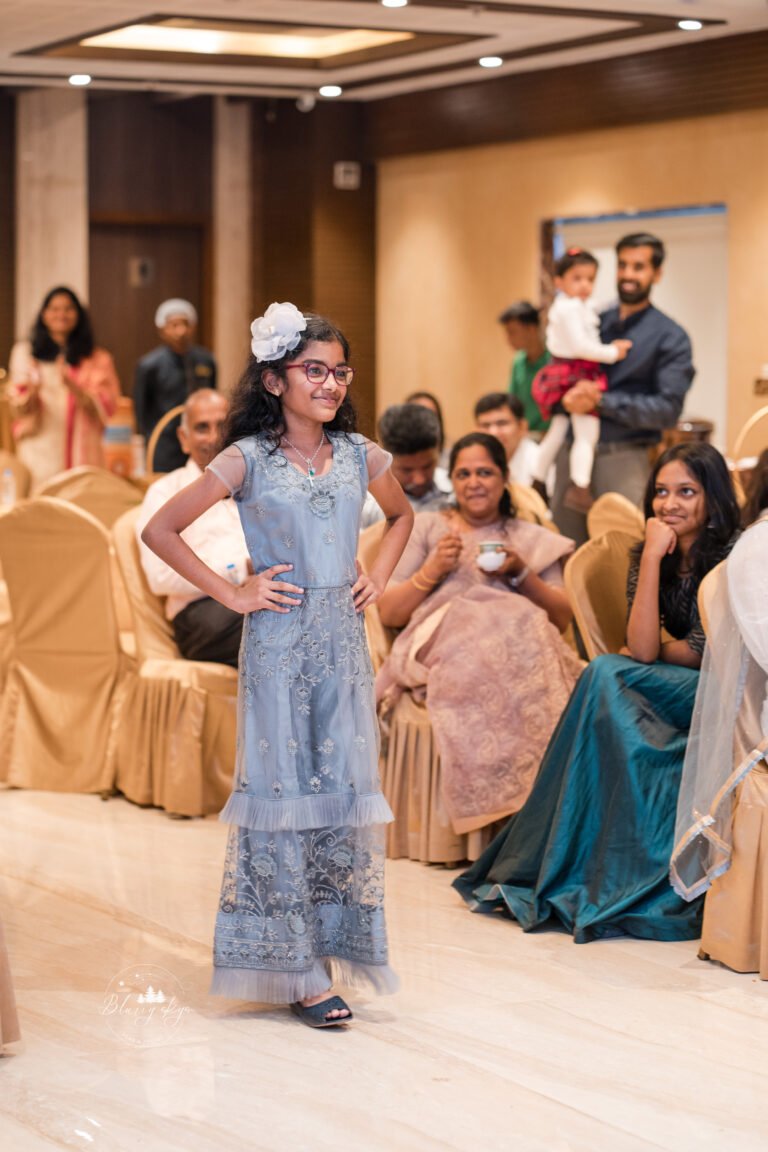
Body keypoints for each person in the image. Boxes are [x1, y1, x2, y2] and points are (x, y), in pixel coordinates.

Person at [141, 302, 413, 1027]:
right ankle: (293, 968)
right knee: (285, 794)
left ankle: (324, 948)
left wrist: (378, 575)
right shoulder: (247, 459)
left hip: (343, 647)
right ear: (274, 380)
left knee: (339, 791)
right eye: (314, 370)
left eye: (339, 371)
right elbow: (159, 528)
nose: (330, 383)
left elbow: (404, 516)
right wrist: (233, 591)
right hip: (279, 644)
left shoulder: (360, 454)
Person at [454, 442, 740, 942]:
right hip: (676, 683)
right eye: (661, 492)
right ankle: (577, 865)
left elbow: (695, 654)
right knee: (605, 678)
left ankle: (576, 860)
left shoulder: (730, 557)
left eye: (686, 493)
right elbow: (648, 647)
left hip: (721, 696)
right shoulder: (649, 551)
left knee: (607, 674)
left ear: (713, 498)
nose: (669, 504)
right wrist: (651, 557)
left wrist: (655, 647)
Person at [376, 432, 581, 855]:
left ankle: (539, 812)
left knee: (526, 624)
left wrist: (522, 573)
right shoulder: (427, 528)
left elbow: (560, 618)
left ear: (505, 478)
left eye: (485, 472)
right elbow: (389, 613)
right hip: (443, 639)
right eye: (464, 473)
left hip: (519, 646)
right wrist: (432, 572)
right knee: (492, 639)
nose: (474, 482)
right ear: (452, 480)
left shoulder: (529, 536)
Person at [551, 233, 695, 545]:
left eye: (639, 267)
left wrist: (600, 401)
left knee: (626, 556)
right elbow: (560, 365)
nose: (628, 274)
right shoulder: (591, 319)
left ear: (656, 274)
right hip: (571, 452)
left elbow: (667, 409)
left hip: (624, 457)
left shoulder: (670, 337)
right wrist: (564, 394)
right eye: (623, 265)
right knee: (564, 550)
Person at [136, 389, 249, 667]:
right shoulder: (165, 492)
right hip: (200, 615)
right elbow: (160, 576)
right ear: (184, 439)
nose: (214, 438)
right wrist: (241, 569)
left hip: (256, 599)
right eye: (202, 428)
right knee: (279, 624)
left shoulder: (254, 484)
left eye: (222, 426)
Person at [530, 248, 632, 513]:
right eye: (577, 278)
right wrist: (613, 352)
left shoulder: (573, 306)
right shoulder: (568, 309)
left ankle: (537, 479)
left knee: (558, 430)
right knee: (587, 433)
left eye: (590, 278)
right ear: (559, 281)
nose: (585, 285)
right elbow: (581, 346)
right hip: (576, 378)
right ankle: (580, 487)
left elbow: (597, 308)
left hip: (567, 375)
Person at [7, 286, 121, 489]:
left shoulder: (96, 358)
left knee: (79, 509)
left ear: (78, 315)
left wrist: (72, 385)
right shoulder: (26, 353)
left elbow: (107, 407)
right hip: (39, 450)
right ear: (44, 314)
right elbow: (17, 408)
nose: (61, 314)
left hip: (83, 453)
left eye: (68, 309)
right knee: (39, 510)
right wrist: (32, 392)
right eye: (54, 309)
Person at [134, 298, 216, 473]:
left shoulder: (206, 360)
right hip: (164, 443)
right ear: (162, 329)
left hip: (200, 440)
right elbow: (141, 411)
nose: (181, 331)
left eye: (185, 324)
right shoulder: (149, 365)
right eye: (174, 325)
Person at [361, 403, 452, 529]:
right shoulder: (364, 504)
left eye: (427, 466)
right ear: (384, 457)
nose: (419, 480)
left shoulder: (456, 491)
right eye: (407, 470)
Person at [498, 300, 550, 437]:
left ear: (531, 329)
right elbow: (512, 401)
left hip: (553, 437)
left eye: (512, 332)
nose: (508, 339)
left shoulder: (555, 360)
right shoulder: (518, 362)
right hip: (526, 435)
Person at [474, 392, 540, 488]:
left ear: (522, 427)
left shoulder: (540, 463)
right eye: (485, 425)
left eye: (502, 423)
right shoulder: (472, 462)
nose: (493, 433)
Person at [405, 390, 450, 470]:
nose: (427, 423)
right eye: (420, 417)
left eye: (432, 416)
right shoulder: (391, 461)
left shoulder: (451, 458)